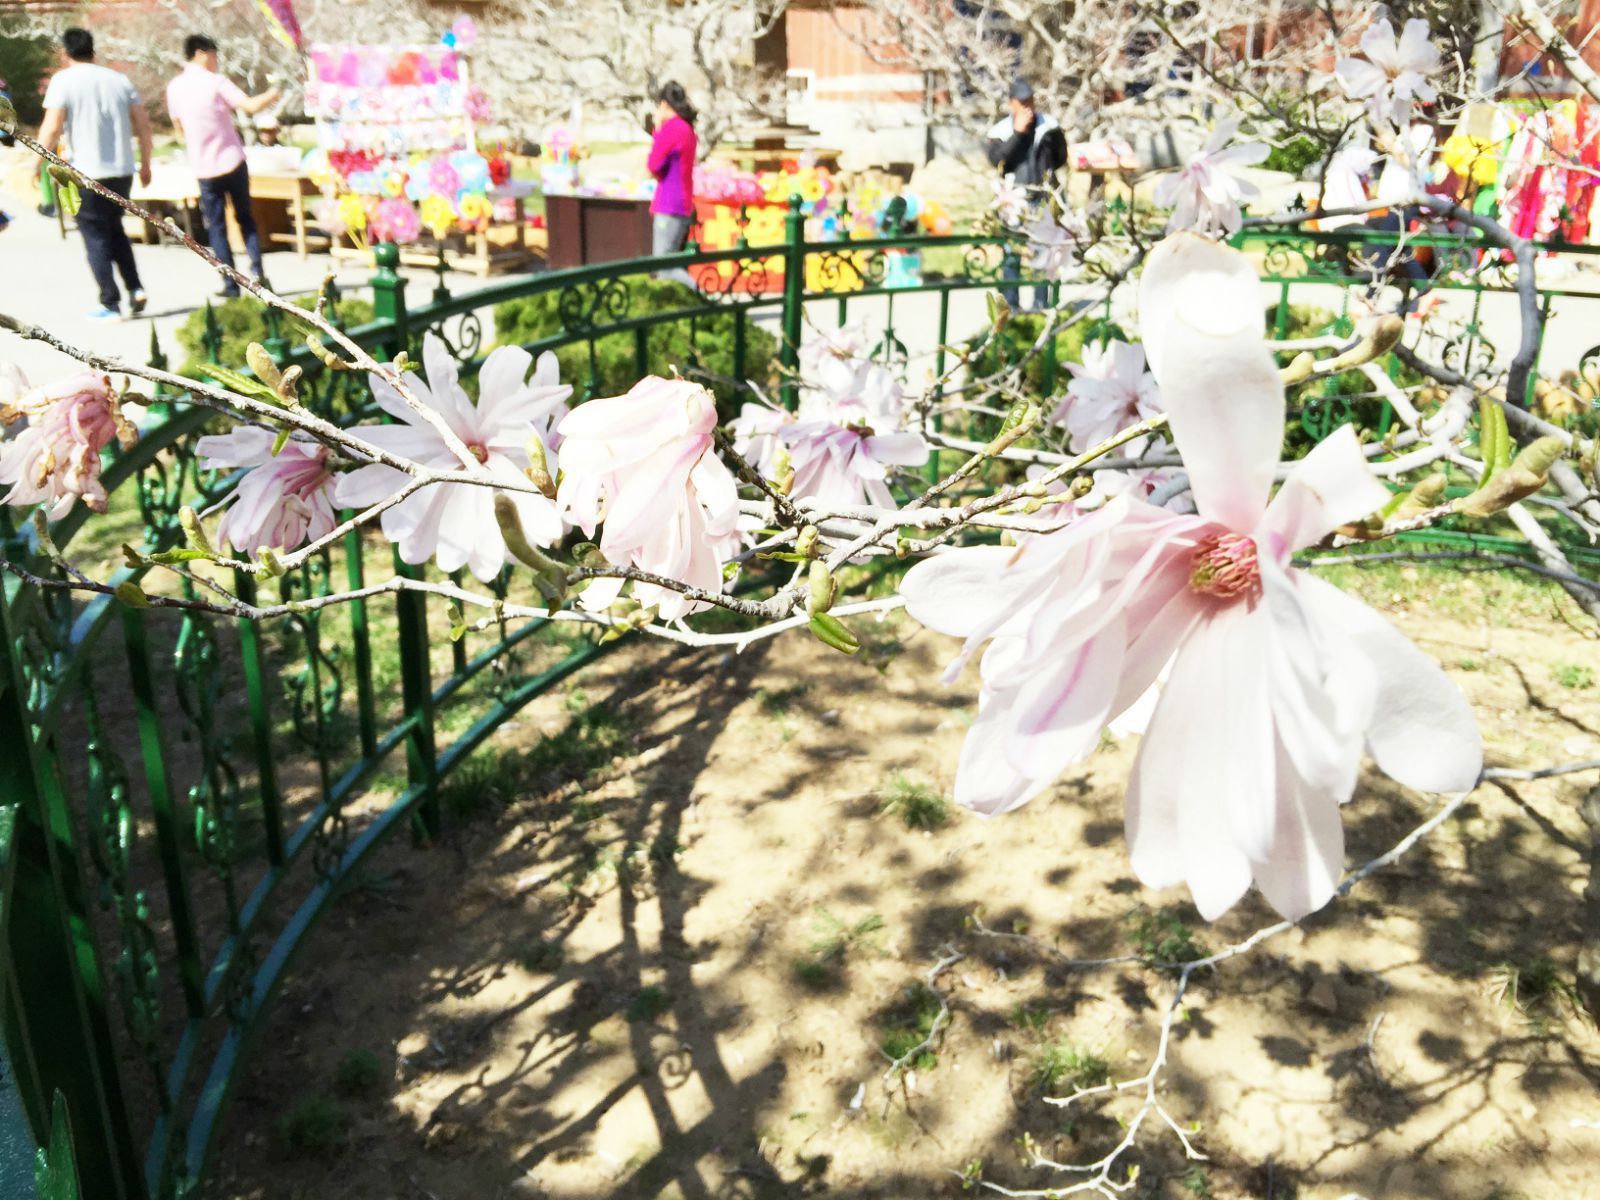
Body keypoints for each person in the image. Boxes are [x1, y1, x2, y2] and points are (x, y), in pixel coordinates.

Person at [37, 28, 152, 320]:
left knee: (95, 236)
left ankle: (110, 302)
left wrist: (35, 164)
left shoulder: (63, 81)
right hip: (122, 170)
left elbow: (51, 128)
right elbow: (143, 123)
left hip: (86, 173)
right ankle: (135, 287)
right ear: (93, 50)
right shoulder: (119, 80)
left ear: (65, 53)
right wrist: (146, 162)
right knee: (116, 230)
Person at [166, 34, 280, 298]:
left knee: (216, 227)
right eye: (215, 55)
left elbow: (178, 127)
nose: (216, 61)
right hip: (231, 160)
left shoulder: (175, 87)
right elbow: (250, 106)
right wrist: (274, 93)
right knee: (245, 219)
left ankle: (230, 283)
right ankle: (258, 274)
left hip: (203, 166)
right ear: (202, 53)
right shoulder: (216, 82)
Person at [986, 80, 1066, 311]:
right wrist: (1018, 134)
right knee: (1012, 253)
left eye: (1029, 101)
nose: (1027, 107)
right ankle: (1010, 304)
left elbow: (1060, 156)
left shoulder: (1049, 127)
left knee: (1042, 253)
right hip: (1013, 201)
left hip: (1042, 199)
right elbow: (997, 160)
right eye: (1021, 102)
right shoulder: (1000, 131)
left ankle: (1041, 304)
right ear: (1011, 104)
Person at [646, 81, 698, 263]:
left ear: (664, 104)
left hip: (669, 204)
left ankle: (698, 291)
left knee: (664, 266)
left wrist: (658, 130)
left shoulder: (672, 128)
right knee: (673, 264)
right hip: (682, 204)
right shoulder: (687, 129)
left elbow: (653, 164)